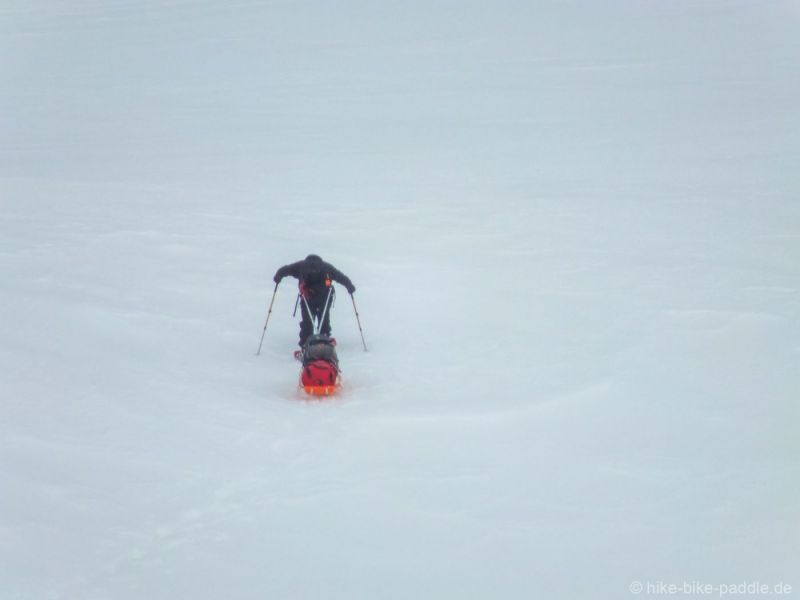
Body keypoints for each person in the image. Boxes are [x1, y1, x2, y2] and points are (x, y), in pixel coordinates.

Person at [273, 254, 356, 348]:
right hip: (324, 297)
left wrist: (278, 276)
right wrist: (349, 286)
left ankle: (305, 343)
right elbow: (341, 277)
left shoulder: (301, 265)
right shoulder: (327, 267)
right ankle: (324, 340)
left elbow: (285, 269)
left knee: (307, 321)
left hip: (307, 297)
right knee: (323, 317)